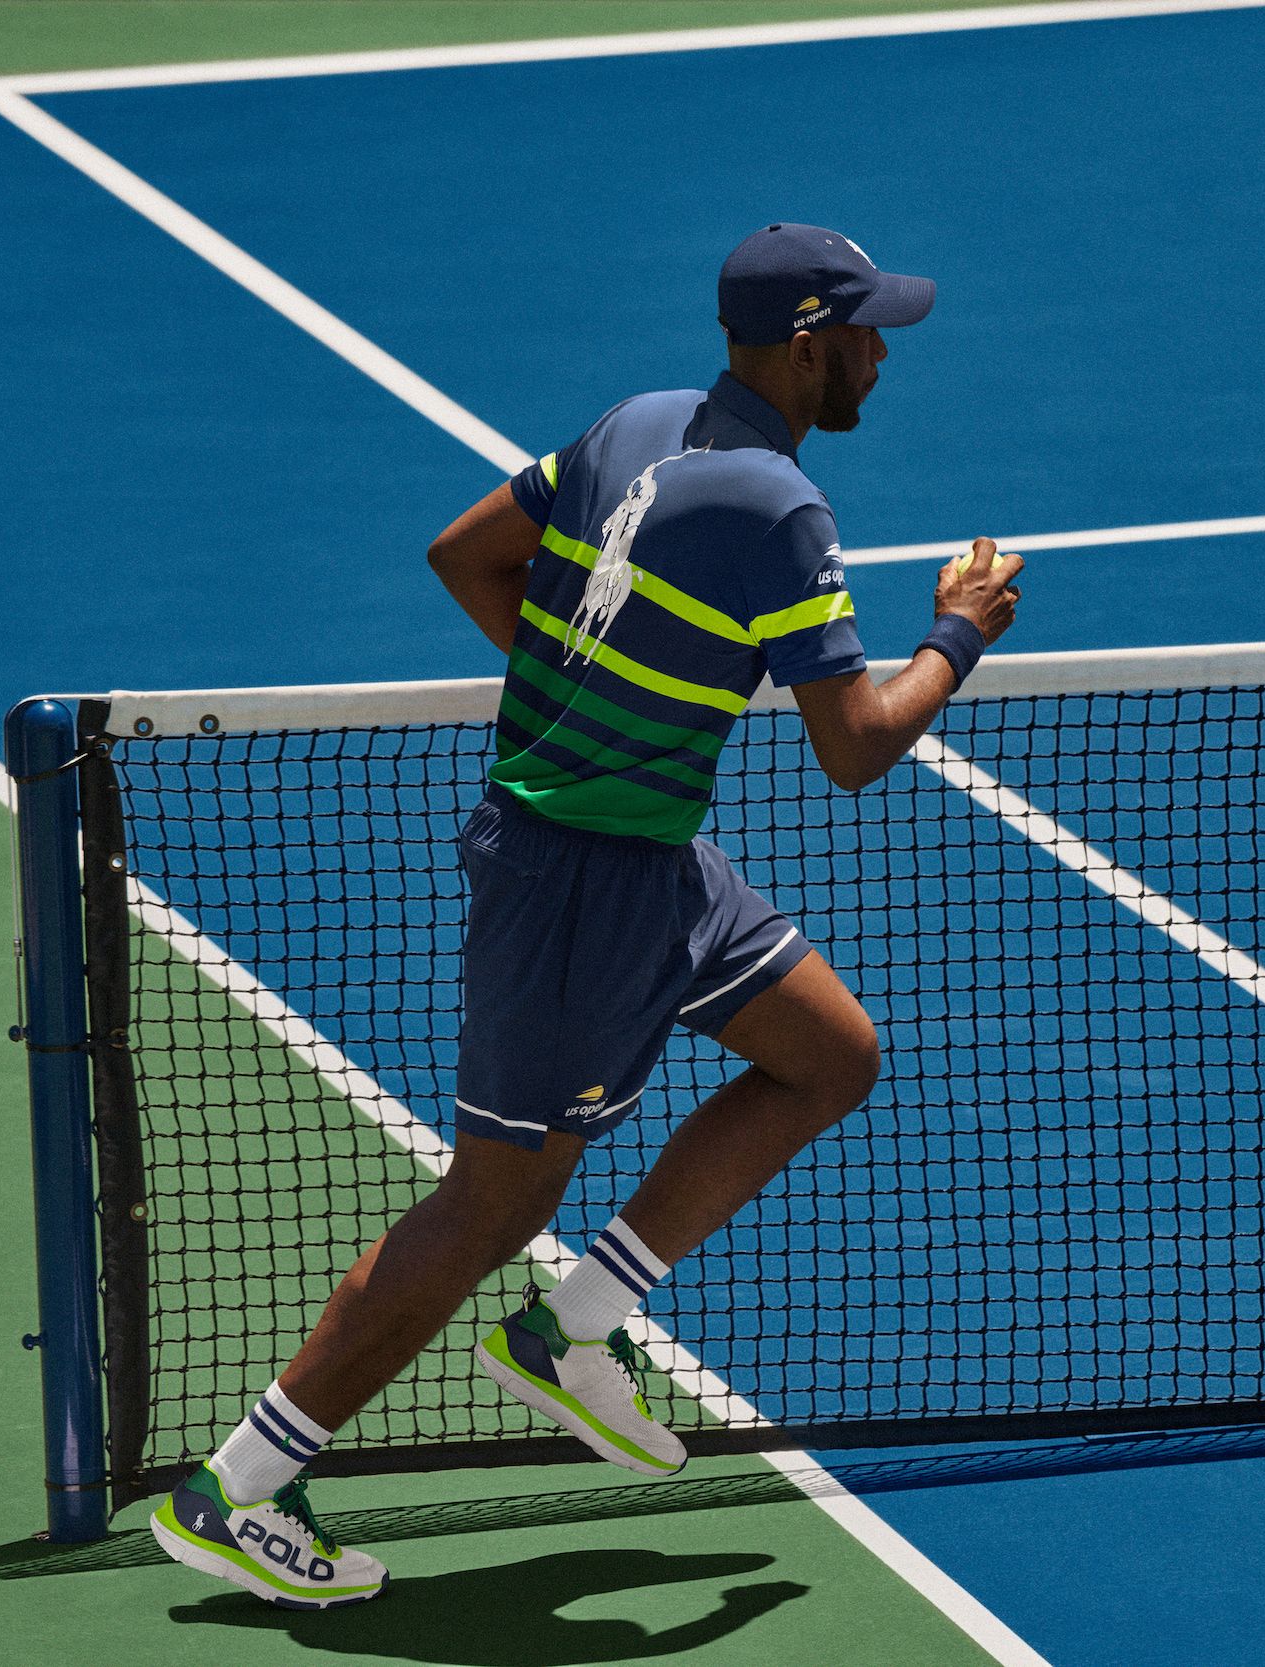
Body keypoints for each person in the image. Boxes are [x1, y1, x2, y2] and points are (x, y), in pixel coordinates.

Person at [149, 223, 1026, 1608]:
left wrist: (597, 692)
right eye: (866, 332)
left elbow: (465, 556)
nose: (881, 354)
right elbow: (854, 749)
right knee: (492, 1206)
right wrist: (960, 630)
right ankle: (236, 1487)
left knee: (830, 1055)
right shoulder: (779, 511)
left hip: (657, 864)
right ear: (807, 346)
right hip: (576, 890)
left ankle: (579, 1330)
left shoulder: (637, 422)